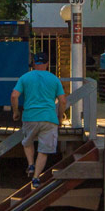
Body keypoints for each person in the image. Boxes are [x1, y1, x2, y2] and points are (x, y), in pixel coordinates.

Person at [11, 51, 67, 189]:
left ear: (34, 63)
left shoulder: (25, 77)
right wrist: (60, 118)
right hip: (49, 118)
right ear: (47, 64)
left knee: (27, 142)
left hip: (30, 117)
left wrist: (16, 112)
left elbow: (14, 96)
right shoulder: (55, 79)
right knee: (44, 150)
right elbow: (63, 101)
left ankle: (30, 164)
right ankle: (36, 178)